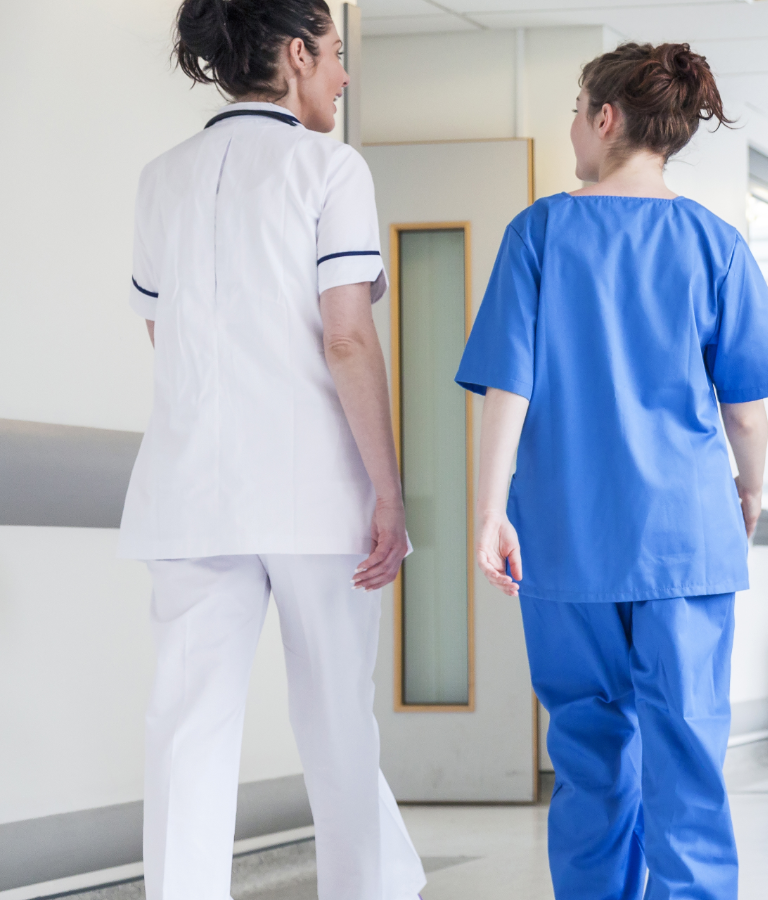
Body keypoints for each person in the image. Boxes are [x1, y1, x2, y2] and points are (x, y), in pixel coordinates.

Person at [454, 43, 768, 900]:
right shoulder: (712, 242)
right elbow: (746, 410)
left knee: (588, 754)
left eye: (577, 109)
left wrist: (490, 512)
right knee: (685, 752)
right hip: (686, 540)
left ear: (606, 118)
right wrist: (748, 489)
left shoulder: (538, 232)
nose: (572, 126)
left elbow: (508, 388)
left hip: (566, 540)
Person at [120, 2, 425, 897]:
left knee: (186, 734)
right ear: (296, 55)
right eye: (334, 56)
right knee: (337, 727)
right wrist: (388, 492)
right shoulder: (329, 169)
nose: (341, 74)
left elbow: (160, 330)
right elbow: (348, 340)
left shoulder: (160, 177)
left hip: (187, 493)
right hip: (312, 493)